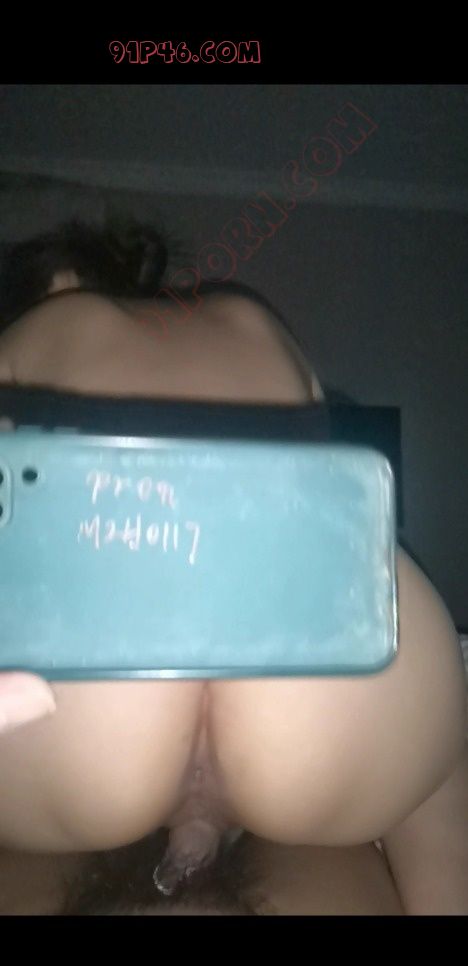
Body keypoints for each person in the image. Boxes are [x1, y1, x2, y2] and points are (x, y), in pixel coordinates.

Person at [0, 217, 466, 916]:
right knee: (438, 770)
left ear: (58, 282)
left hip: (100, 631)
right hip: (319, 647)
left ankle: (196, 813)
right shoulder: (249, 316)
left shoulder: (37, 330)